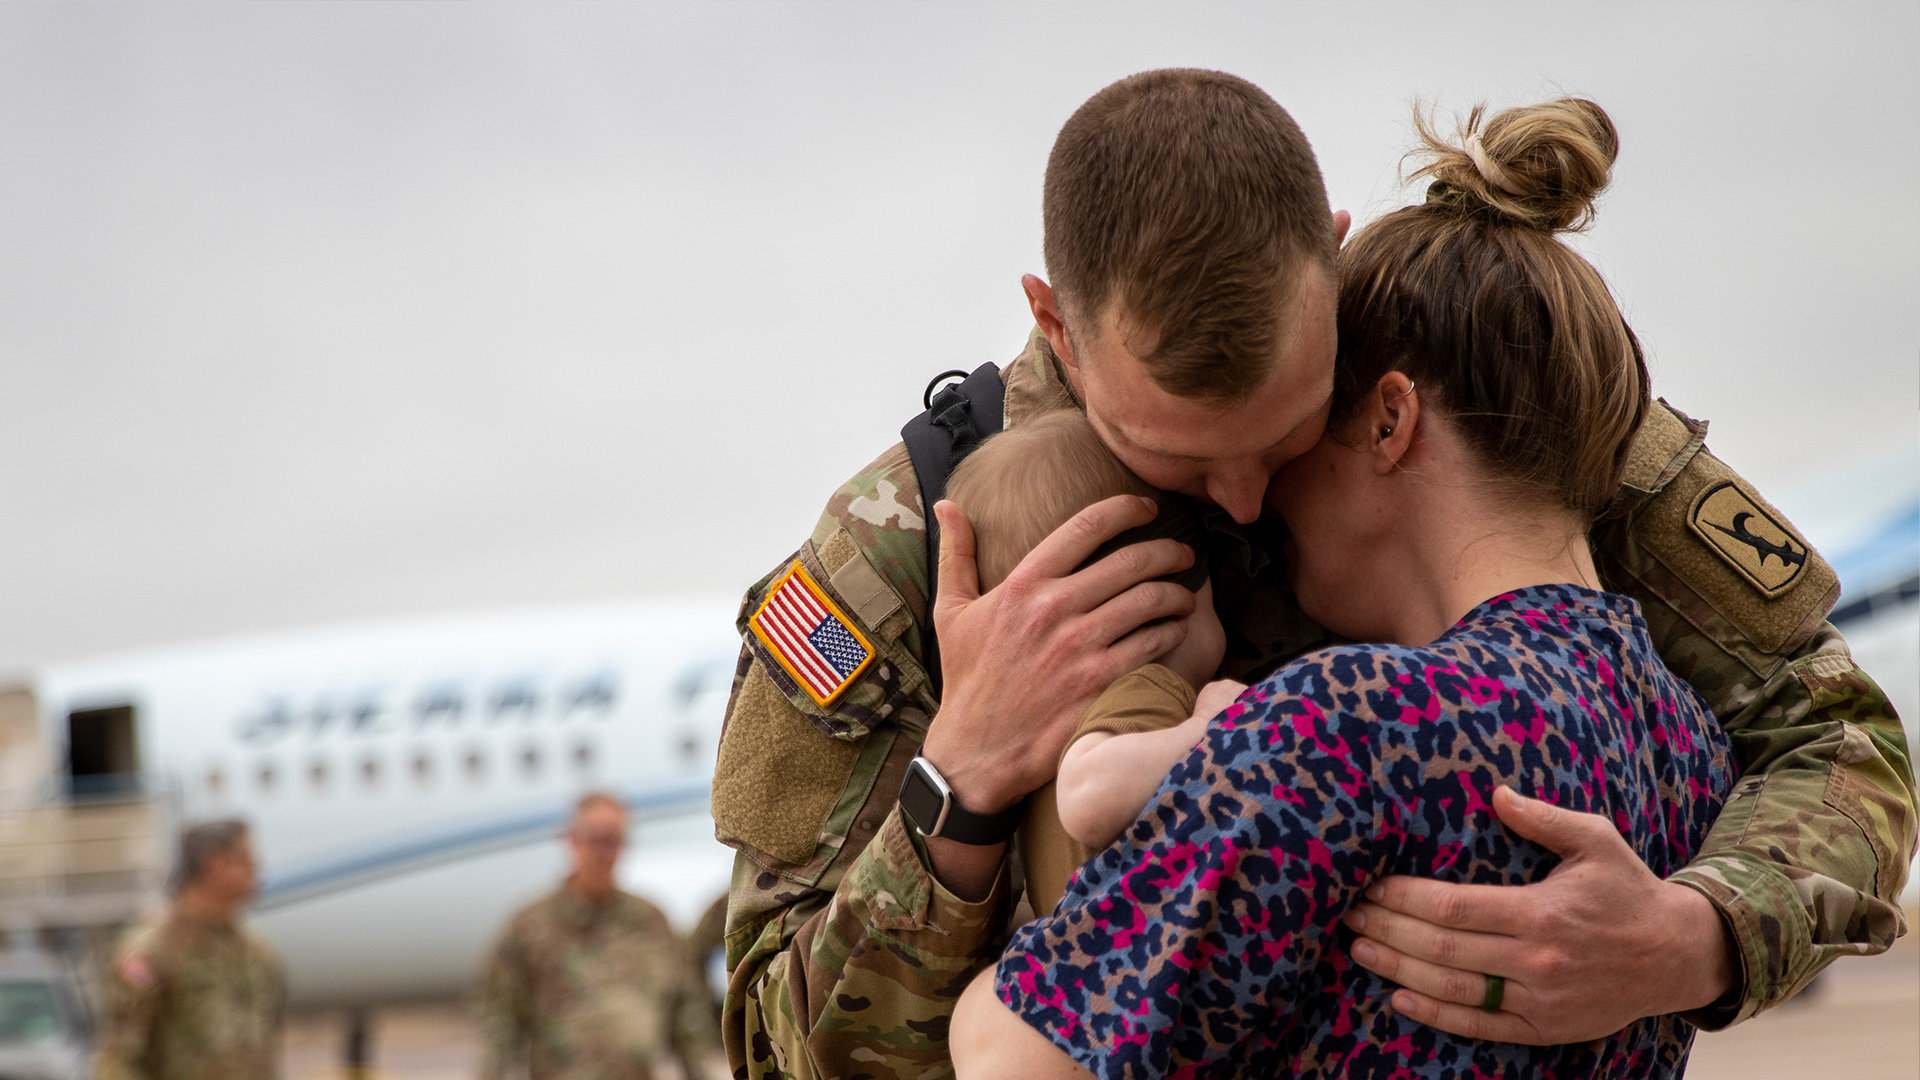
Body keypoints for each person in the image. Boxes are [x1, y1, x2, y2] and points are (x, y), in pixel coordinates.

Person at [712, 69, 1914, 1079]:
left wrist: (1692, 939)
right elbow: (773, 1047)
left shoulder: (1454, 369)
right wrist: (957, 787)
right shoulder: (909, 546)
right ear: (1058, 324)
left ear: (1333, 267)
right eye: (1176, 455)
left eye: (1288, 436)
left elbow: (1839, 740)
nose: (1244, 502)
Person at [952, 96, 1736, 1079]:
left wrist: (990, 981)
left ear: (1387, 421)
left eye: (1294, 437)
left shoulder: (1340, 720)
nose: (1250, 507)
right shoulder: (1694, 740)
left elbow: (1019, 1057)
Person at [940, 409, 1226, 914]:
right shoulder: (1147, 689)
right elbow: (1094, 790)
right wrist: (1218, 726)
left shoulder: (1034, 762)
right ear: (1162, 592)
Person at [478, 792, 718, 1080]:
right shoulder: (530, 928)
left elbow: (688, 1024)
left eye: (614, 840)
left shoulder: (651, 923)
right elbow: (499, 1030)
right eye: (596, 839)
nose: (605, 853)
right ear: (572, 841)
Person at [94, 819, 286, 1080]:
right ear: (216, 865)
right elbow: (120, 1059)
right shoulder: (152, 952)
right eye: (247, 862)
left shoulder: (257, 955)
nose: (256, 873)